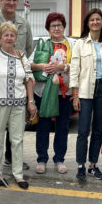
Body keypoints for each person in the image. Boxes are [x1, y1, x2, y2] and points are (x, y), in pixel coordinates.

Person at [70, 8, 102, 181]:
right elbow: (75, 69)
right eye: (92, 20)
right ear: (87, 23)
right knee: (83, 130)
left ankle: (93, 165)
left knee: (98, 131)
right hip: (84, 91)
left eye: (98, 19)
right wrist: (75, 93)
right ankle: (80, 165)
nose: (95, 22)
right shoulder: (80, 44)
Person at [0, 22, 37, 189]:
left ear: (16, 38)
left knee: (17, 139)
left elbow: (29, 79)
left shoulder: (21, 55)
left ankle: (18, 174)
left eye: (12, 35)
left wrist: (31, 102)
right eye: (6, 35)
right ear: (0, 37)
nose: (9, 38)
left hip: (19, 103)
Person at [0, 0, 33, 171]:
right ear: (1, 0)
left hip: (17, 81)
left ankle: (13, 164)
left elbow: (29, 48)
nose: (11, 3)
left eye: (14, 0)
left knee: (16, 135)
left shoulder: (24, 23)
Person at [30, 13, 75, 174]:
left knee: (62, 126)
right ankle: (42, 159)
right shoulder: (42, 43)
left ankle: (59, 159)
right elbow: (30, 65)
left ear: (64, 26)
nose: (56, 28)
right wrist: (43, 66)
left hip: (65, 92)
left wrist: (63, 67)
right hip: (44, 92)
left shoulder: (72, 44)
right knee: (43, 125)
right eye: (53, 25)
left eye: (59, 25)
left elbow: (77, 65)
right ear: (48, 28)